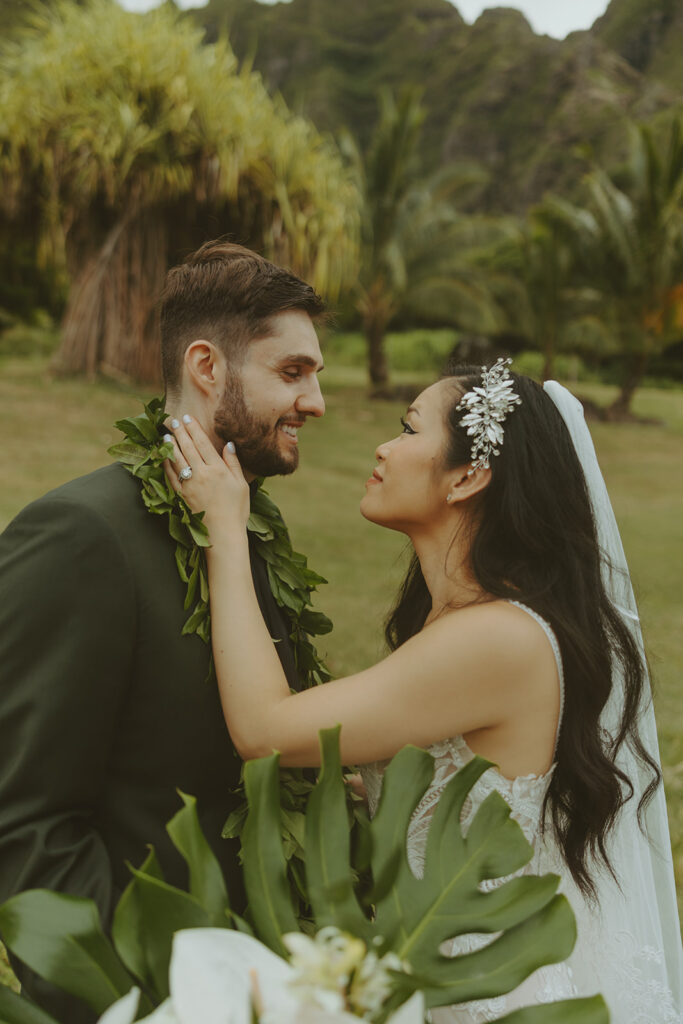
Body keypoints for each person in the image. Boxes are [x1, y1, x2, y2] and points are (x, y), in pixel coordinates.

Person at [165, 359, 683, 1023]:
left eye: (407, 429)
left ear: (467, 477)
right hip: (444, 973)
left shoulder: (496, 638)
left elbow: (265, 730)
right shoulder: (476, 622)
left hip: (487, 995)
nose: (383, 447)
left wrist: (225, 527)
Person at [0, 240, 326, 1023]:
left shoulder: (241, 527)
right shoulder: (82, 534)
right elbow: (24, 820)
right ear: (208, 367)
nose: (316, 402)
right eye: (293, 372)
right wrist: (129, 995)